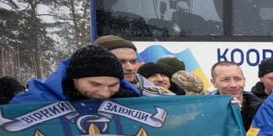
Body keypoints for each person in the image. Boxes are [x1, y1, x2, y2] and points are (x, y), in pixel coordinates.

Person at [12, 44, 140, 103]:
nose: (104, 93)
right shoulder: (35, 101)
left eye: (113, 85)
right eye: (95, 84)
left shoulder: (131, 98)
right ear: (74, 79)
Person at [92, 35, 168, 96]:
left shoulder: (151, 89)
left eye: (133, 61)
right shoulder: (87, 91)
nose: (130, 68)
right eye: (121, 62)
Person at [209, 61, 257, 130]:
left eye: (237, 79)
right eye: (225, 80)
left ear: (244, 80)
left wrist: (240, 113)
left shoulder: (259, 108)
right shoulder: (205, 109)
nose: (233, 85)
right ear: (214, 82)